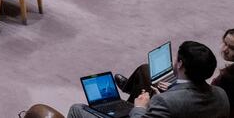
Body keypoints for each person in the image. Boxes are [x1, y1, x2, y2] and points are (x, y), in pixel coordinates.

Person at [66, 41, 230, 118]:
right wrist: (172, 92)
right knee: (145, 72)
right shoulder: (222, 95)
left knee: (77, 109)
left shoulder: (164, 101)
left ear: (180, 64)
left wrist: (140, 107)